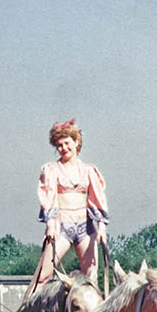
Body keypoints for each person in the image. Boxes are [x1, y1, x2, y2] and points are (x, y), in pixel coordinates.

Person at [35, 119, 109, 285]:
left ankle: (93, 311)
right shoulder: (52, 169)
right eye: (59, 145)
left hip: (86, 229)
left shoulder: (89, 170)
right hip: (62, 228)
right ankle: (29, 307)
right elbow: (49, 197)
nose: (64, 148)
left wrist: (102, 227)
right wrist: (50, 224)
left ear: (76, 142)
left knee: (91, 277)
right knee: (43, 276)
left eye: (67, 143)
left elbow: (98, 199)